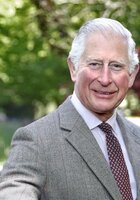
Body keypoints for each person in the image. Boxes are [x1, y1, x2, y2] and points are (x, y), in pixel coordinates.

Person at [0, 18, 140, 200]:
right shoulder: (36, 141)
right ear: (73, 69)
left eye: (116, 66)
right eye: (95, 64)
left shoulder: (137, 138)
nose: (105, 79)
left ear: (131, 74)